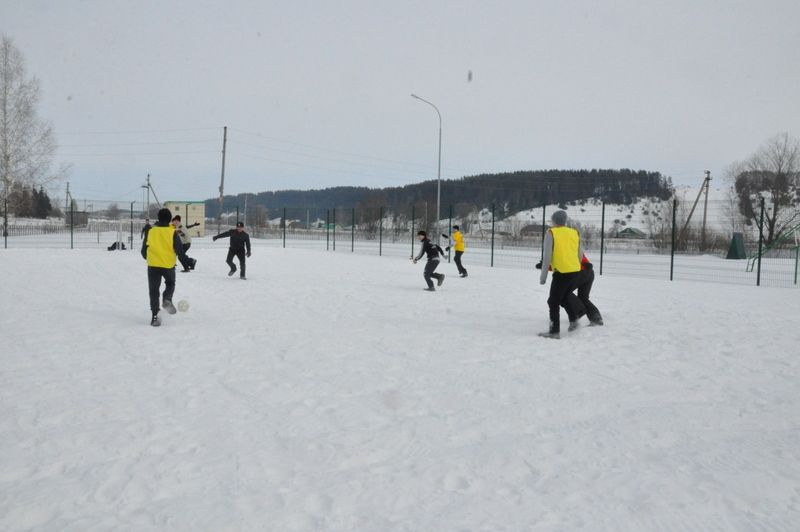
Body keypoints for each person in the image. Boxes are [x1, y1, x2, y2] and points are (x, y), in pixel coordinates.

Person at [538, 210, 584, 339]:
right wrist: (576, 265)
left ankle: (554, 332)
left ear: (554, 220)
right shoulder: (574, 232)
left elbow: (547, 257)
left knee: (553, 301)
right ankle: (574, 321)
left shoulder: (551, 232)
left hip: (562, 272)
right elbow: (580, 253)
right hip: (575, 270)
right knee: (563, 298)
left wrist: (543, 277)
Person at [141, 208, 188, 327]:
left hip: (153, 265)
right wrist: (187, 263)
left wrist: (150, 258)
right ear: (170, 219)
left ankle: (155, 316)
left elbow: (143, 251)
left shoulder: (151, 231)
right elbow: (180, 251)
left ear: (158, 217)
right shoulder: (172, 232)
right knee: (171, 283)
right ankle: (167, 299)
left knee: (153, 290)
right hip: (168, 265)